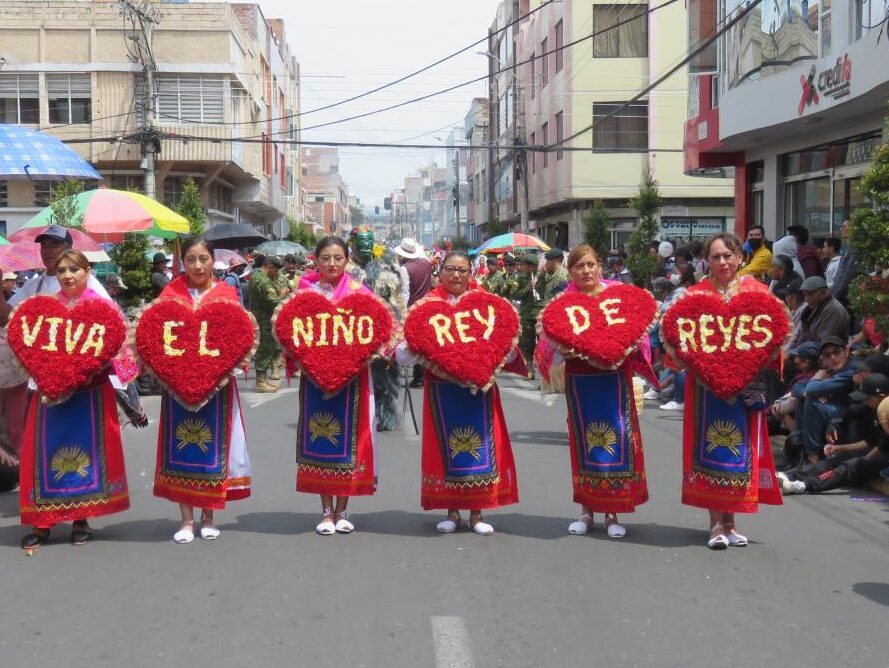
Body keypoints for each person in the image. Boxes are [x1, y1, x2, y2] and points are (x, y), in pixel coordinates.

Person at [668, 232, 782, 549]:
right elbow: (676, 341)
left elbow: (774, 337)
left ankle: (731, 522)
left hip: (745, 387)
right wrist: (701, 364)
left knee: (739, 452)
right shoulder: (693, 296)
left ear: (740, 258)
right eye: (715, 256)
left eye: (728, 255)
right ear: (707, 260)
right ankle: (715, 523)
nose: (722, 262)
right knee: (711, 450)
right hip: (705, 389)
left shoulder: (758, 293)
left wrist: (752, 364)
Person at [396, 251, 520, 535]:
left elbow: (508, 348)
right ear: (439, 272)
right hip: (442, 389)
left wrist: (501, 349)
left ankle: (477, 511)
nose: (456, 275)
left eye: (462, 270)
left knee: (482, 447)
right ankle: (452, 510)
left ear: (471, 273)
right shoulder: (426, 306)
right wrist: (416, 346)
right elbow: (403, 353)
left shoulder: (487, 305)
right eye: (450, 269)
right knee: (445, 447)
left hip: (479, 390)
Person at [538, 245, 655, 539]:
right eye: (579, 266)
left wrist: (629, 345)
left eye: (591, 264)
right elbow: (547, 346)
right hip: (581, 382)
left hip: (615, 381)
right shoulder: (562, 304)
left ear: (600, 267)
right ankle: (587, 510)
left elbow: (641, 336)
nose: (586, 271)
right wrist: (563, 349)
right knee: (584, 442)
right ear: (571, 271)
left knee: (619, 440)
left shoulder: (620, 296)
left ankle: (613, 511)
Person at [18, 249, 130, 549]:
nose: (67, 276)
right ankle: (43, 522)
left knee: (88, 453)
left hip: (90, 396)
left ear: (87, 271)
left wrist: (126, 384)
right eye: (61, 271)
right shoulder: (44, 309)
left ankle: (81, 518)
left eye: (74, 269)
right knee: (45, 451)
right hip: (50, 396)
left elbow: (122, 354)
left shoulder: (103, 308)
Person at [153, 237, 252, 544]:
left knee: (213, 447)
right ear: (182, 262)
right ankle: (186, 519)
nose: (197, 266)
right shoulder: (170, 294)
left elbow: (240, 335)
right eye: (191, 260)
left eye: (203, 259)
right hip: (178, 388)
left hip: (217, 386)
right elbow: (154, 334)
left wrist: (232, 364)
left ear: (213, 261)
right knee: (181, 448)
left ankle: (208, 515)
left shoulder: (225, 294)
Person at [296, 236, 379, 535]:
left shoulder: (360, 293)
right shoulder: (304, 293)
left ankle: (342, 509)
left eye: (338, 258)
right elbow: (291, 335)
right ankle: (326, 510)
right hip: (314, 379)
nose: (332, 263)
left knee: (350, 442)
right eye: (326, 258)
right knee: (320, 440)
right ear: (316, 260)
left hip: (353, 379)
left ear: (347, 260)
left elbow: (378, 330)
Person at [778, 376, 889, 495]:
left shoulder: (885, 413)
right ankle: (792, 476)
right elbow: (874, 441)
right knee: (841, 458)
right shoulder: (871, 408)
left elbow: (881, 447)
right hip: (879, 450)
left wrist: (863, 461)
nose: (865, 402)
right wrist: (838, 446)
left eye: (867, 399)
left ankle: (804, 485)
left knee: (852, 465)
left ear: (881, 396)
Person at [792, 336, 856, 464]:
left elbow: (810, 389)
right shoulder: (830, 369)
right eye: (828, 355)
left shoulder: (850, 371)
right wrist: (808, 392)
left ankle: (813, 458)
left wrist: (816, 380)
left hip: (851, 416)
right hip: (836, 410)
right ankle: (800, 450)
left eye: (837, 352)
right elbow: (797, 388)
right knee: (804, 400)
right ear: (823, 359)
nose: (833, 358)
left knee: (813, 401)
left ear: (846, 351)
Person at [395, 237, 433, 388]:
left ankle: (418, 377)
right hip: (427, 305)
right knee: (425, 342)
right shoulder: (427, 263)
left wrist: (402, 313)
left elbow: (405, 293)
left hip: (413, 307)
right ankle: (421, 375)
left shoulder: (405, 268)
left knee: (415, 342)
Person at [248, 255, 285, 393]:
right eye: (276, 270)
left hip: (261, 319)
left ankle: (263, 380)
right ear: (270, 267)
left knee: (266, 350)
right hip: (264, 321)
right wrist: (283, 294)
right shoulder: (263, 280)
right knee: (264, 351)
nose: (277, 274)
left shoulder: (256, 277)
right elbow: (274, 302)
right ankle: (260, 382)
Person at [786, 276, 851, 350]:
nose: (806, 299)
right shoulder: (812, 307)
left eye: (810, 294)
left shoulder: (833, 310)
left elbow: (824, 342)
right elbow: (799, 334)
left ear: (823, 292)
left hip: (826, 352)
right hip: (805, 349)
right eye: (805, 295)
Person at [504, 253, 539, 374]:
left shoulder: (541, 276)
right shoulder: (519, 278)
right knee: (528, 341)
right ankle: (529, 365)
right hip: (527, 314)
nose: (531, 269)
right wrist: (528, 288)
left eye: (533, 266)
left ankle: (542, 365)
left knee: (542, 342)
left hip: (540, 312)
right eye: (529, 266)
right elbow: (515, 295)